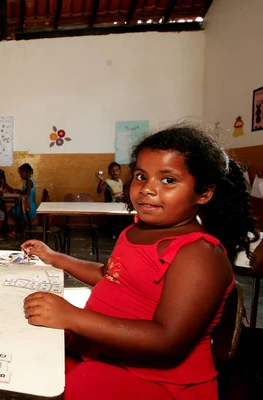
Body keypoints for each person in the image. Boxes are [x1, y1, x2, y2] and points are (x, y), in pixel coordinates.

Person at [22, 125, 259, 399]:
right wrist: (55, 257)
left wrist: (73, 316)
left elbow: (167, 340)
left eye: (168, 180)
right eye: (141, 176)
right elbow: (108, 275)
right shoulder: (136, 230)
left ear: (203, 192)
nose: (147, 189)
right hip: (105, 352)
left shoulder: (199, 255)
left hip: (157, 382)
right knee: (25, 366)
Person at [9, 163, 37, 236]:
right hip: (28, 204)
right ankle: (22, 228)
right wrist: (20, 191)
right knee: (18, 216)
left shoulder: (29, 181)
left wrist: (20, 195)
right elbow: (26, 192)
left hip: (28, 205)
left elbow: (27, 194)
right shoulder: (28, 181)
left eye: (22, 173)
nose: (21, 175)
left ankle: (20, 228)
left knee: (12, 213)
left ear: (28, 173)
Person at [0, 168, 14, 240]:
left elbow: (12, 190)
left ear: (1, 179)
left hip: (0, 205)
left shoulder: (4, 185)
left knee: (3, 212)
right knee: (1, 214)